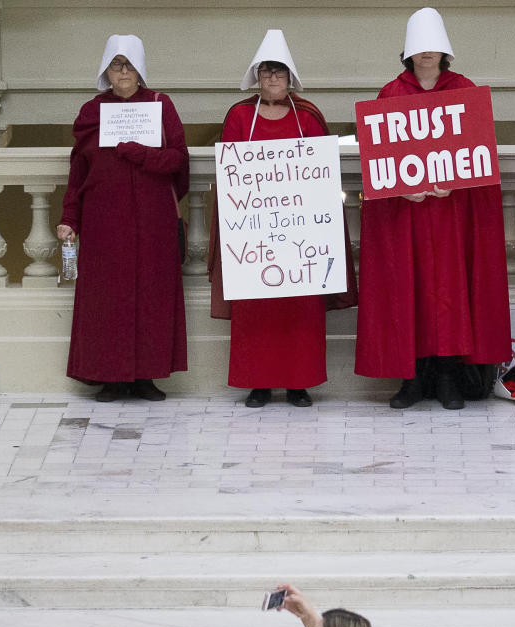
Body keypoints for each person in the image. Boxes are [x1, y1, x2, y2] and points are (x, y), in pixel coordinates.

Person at [355, 7, 510, 410]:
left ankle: (447, 375)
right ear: (409, 52)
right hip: (406, 217)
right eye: (419, 48)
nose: (426, 54)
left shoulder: (464, 89)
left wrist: (454, 183)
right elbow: (380, 160)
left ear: (444, 52)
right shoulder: (391, 94)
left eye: (433, 48)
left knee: (449, 294)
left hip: (450, 215)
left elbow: (479, 152)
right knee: (410, 291)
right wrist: (400, 190)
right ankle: (411, 379)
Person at [208, 30, 356, 409]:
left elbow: (324, 173)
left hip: (300, 237)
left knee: (300, 311)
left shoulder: (308, 117)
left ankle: (298, 383)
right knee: (256, 310)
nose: (272, 78)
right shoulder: (240, 116)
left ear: (290, 77)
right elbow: (231, 174)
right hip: (255, 237)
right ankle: (258, 383)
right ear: (257, 77)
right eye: (266, 72)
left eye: (279, 72)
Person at [57, 34, 188, 402]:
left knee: (152, 296)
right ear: (106, 72)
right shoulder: (91, 111)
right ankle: (110, 376)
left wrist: (140, 154)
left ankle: (146, 376)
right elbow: (78, 172)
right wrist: (71, 217)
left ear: (140, 69)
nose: (123, 71)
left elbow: (178, 160)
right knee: (106, 299)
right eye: (116, 65)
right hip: (104, 221)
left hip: (153, 220)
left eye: (128, 64)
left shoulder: (162, 106)